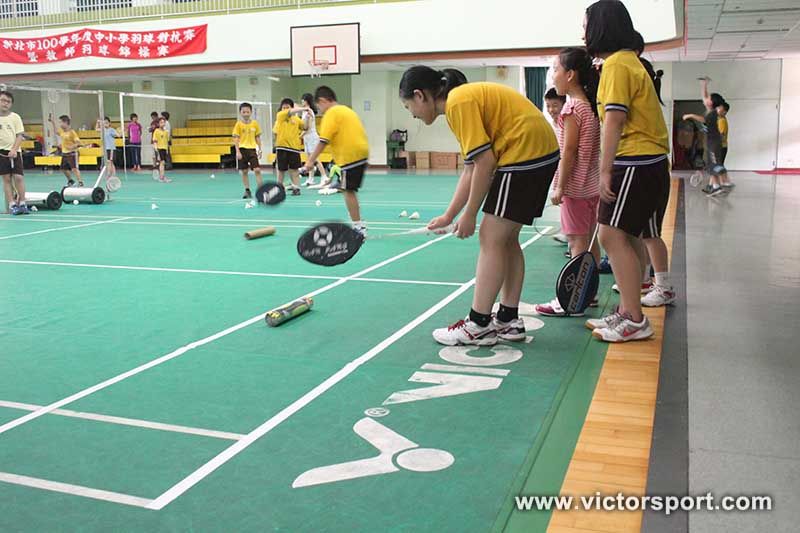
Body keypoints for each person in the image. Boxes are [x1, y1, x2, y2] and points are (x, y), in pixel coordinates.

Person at [400, 66, 559, 346]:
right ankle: (508, 319)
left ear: (420, 95)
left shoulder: (458, 102)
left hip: (524, 154)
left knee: (491, 236)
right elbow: (472, 168)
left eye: (408, 106)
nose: (410, 113)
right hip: (538, 153)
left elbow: (485, 163)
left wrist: (470, 215)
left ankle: (478, 324)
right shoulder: (462, 101)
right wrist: (450, 215)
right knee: (506, 239)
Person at [583, 0, 671, 342]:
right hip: (646, 161)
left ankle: (634, 319)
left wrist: (605, 171)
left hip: (635, 160)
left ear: (601, 26)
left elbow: (614, 120)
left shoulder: (618, 65)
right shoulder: (627, 62)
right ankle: (628, 311)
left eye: (587, 23)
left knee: (610, 235)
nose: (584, 30)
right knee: (627, 236)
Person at [535, 47, 602, 317]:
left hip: (575, 187)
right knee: (590, 242)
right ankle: (590, 294)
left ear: (571, 75)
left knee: (576, 242)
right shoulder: (589, 106)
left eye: (556, 69)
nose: (553, 75)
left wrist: (560, 186)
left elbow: (570, 152)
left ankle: (572, 300)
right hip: (592, 186)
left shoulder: (572, 108)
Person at [304, 86, 371, 234]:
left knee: (348, 191)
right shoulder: (346, 110)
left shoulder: (331, 113)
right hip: (361, 153)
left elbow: (323, 140)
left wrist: (310, 161)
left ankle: (359, 227)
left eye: (319, 106)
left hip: (350, 156)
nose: (320, 110)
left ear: (322, 101)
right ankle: (358, 222)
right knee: (347, 187)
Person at [683, 78, 731, 195]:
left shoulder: (713, 114)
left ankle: (721, 184)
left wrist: (691, 115)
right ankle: (715, 186)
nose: (706, 99)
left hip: (715, 144)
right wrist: (704, 85)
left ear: (711, 103)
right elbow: (704, 98)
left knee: (713, 166)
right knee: (711, 166)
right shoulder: (711, 110)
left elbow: (703, 120)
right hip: (711, 143)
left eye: (708, 98)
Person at [0, 90, 28, 215]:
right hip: (1, 152)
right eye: (2, 100)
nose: (5, 103)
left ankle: (22, 202)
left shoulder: (15, 117)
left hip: (15, 151)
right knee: (6, 179)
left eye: (8, 101)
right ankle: (12, 204)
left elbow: (19, 135)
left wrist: (14, 149)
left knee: (18, 177)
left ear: (11, 104)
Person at [294, 93, 329, 187]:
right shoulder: (304, 112)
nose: (302, 101)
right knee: (309, 159)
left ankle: (324, 177)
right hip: (307, 138)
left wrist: (300, 136)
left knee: (315, 158)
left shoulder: (309, 112)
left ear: (307, 101)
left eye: (303, 100)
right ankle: (310, 179)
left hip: (312, 137)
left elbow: (308, 128)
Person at [273, 98, 304, 195]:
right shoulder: (280, 117)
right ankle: (279, 188)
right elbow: (275, 133)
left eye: (288, 107)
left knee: (294, 169)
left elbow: (305, 127)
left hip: (294, 148)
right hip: (282, 147)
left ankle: (296, 188)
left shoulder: (297, 119)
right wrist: (303, 108)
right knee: (281, 170)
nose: (285, 109)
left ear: (292, 107)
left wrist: (308, 116)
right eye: (283, 107)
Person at [232, 102, 263, 199]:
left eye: (247, 112)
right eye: (243, 112)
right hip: (242, 149)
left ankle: (260, 191)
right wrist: (237, 151)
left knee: (257, 170)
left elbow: (257, 137)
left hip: (252, 150)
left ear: (251, 112)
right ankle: (247, 190)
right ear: (240, 113)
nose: (245, 114)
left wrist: (260, 149)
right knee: (244, 171)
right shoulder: (238, 125)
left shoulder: (255, 124)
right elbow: (236, 139)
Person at [49, 113, 84, 186]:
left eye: (61, 122)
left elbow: (79, 143)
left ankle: (80, 182)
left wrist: (73, 146)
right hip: (64, 153)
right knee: (63, 168)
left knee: (74, 168)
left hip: (72, 153)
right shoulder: (62, 131)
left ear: (65, 122)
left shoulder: (72, 132)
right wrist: (52, 122)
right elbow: (56, 131)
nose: (60, 124)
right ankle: (70, 180)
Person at [152, 116, 171, 183]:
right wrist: (156, 149)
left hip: (164, 149)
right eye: (161, 122)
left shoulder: (166, 132)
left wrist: (167, 150)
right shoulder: (156, 131)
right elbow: (154, 140)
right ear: (158, 124)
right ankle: (162, 177)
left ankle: (162, 176)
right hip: (159, 149)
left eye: (163, 122)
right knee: (162, 163)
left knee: (163, 163)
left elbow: (166, 141)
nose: (162, 124)